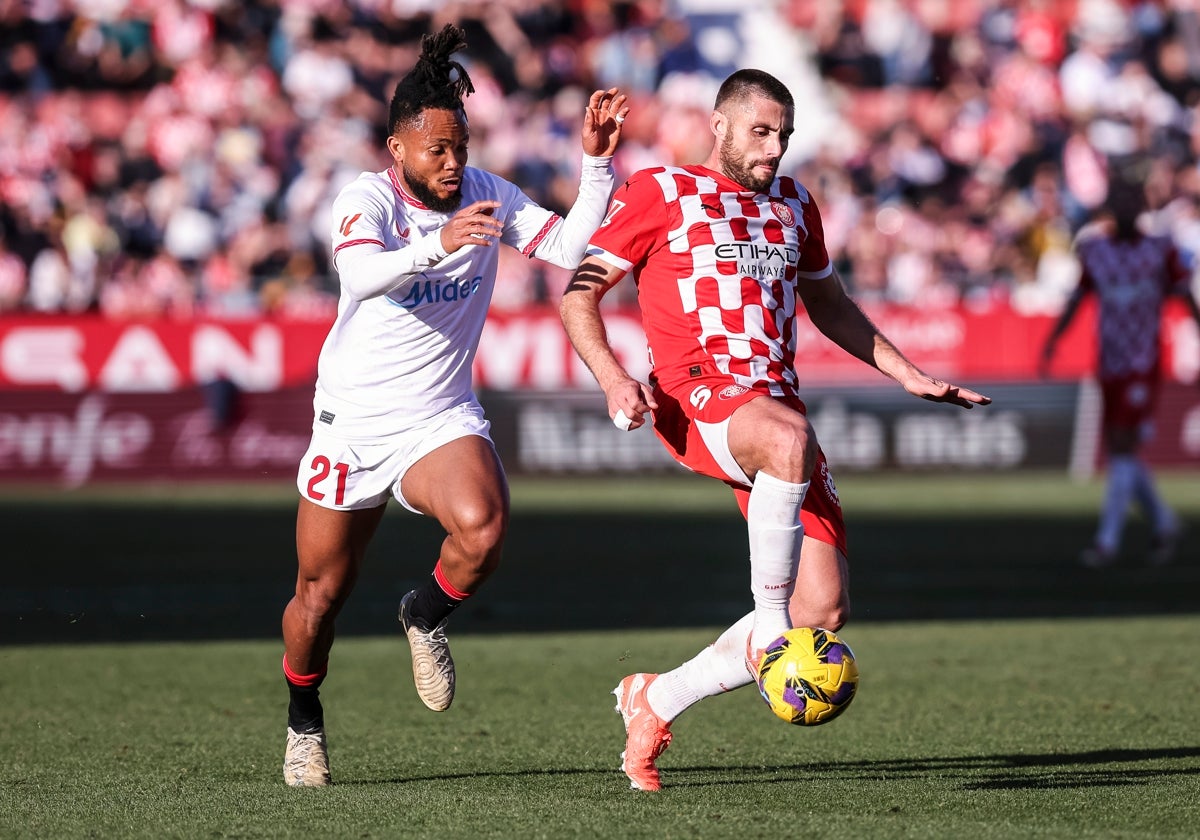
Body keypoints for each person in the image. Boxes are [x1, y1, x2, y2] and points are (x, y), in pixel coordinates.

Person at [559, 68, 991, 792]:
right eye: (761, 131)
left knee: (823, 609)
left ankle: (656, 698)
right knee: (787, 458)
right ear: (719, 125)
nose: (775, 148)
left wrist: (908, 372)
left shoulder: (794, 203)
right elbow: (578, 297)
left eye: (784, 135)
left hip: (776, 406)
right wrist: (613, 378)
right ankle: (767, 628)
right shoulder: (661, 192)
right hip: (696, 395)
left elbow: (831, 304)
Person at [280, 24, 629, 787]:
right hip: (353, 423)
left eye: (460, 147)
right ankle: (304, 720)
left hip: (437, 417)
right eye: (435, 148)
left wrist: (595, 162)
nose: (452, 162)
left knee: (484, 529)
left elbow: (569, 248)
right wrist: (438, 246)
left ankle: (424, 614)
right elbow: (360, 278)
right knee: (319, 596)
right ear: (397, 148)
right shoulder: (365, 197)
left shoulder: (488, 193)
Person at [1041, 173, 1200, 568]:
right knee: (1120, 448)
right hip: (1109, 360)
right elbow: (1078, 298)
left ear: (1143, 206)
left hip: (1143, 360)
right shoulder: (1095, 250)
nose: (1128, 208)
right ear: (1112, 207)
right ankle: (1164, 522)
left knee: (1123, 445)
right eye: (1121, 201)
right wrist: (1054, 340)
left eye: (1134, 200)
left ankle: (1107, 542)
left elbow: (1185, 298)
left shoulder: (1162, 250)